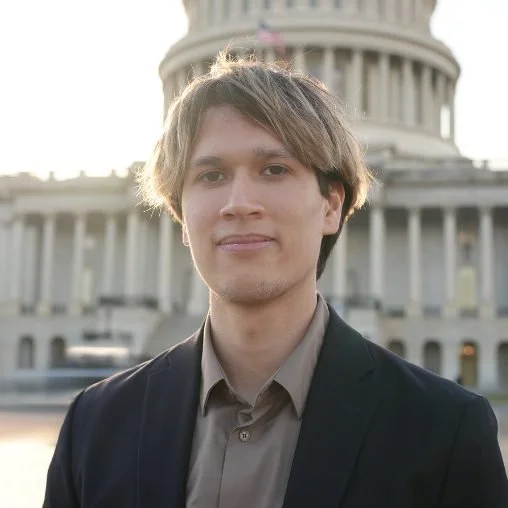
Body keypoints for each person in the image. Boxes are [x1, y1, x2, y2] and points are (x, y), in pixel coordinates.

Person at [43, 53, 507, 508]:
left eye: (274, 169)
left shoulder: (443, 433)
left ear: (331, 205)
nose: (238, 203)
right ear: (181, 218)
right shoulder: (96, 426)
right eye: (211, 174)